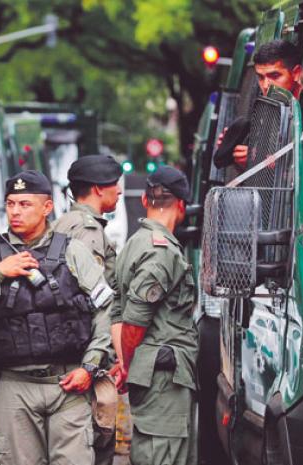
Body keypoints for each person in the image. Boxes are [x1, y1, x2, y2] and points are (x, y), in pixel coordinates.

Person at [0, 170, 114, 465]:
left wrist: (90, 366)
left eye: (25, 204)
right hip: (13, 385)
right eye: (10, 204)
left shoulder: (73, 251)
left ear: (47, 207)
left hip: (68, 384)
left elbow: (106, 308)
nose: (15, 212)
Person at [112, 166, 198, 465]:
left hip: (152, 372)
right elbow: (135, 318)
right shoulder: (162, 251)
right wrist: (129, 364)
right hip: (162, 378)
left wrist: (125, 363)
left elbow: (116, 311)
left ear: (146, 201)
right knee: (163, 454)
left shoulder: (133, 244)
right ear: (183, 206)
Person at [51, 155, 123, 465]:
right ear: (97, 189)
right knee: (94, 443)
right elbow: (92, 299)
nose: (119, 191)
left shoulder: (64, 222)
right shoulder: (88, 230)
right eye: (114, 185)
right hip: (84, 358)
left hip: (70, 352)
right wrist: (102, 357)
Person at [214, 39, 303, 170]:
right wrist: (238, 153)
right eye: (261, 77)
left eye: (275, 75)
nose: (266, 85)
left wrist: (259, 161)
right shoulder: (268, 112)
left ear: (296, 73)